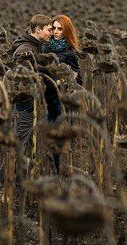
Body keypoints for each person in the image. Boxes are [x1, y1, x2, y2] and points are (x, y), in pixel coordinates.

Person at [41, 14, 83, 173]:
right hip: (48, 98)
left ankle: (61, 171)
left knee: (61, 137)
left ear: (66, 31)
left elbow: (78, 78)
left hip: (63, 100)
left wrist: (64, 80)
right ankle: (52, 168)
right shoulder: (44, 48)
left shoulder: (69, 51)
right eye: (54, 28)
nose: (56, 32)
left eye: (60, 29)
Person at [9, 14, 53, 150]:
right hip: (24, 103)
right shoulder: (27, 50)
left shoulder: (35, 46)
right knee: (22, 139)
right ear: (38, 29)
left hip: (28, 102)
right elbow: (20, 81)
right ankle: (20, 168)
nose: (51, 33)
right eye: (49, 29)